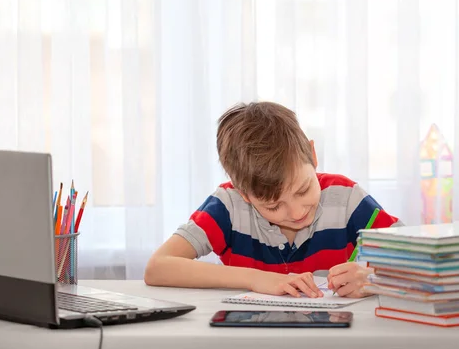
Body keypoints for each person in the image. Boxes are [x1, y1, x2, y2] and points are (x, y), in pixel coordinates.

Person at [144, 102, 402, 298]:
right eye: (273, 206)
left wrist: (374, 277)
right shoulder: (229, 206)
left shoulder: (346, 199)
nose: (297, 211)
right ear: (243, 193)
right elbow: (158, 267)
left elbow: (430, 260)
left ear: (312, 155)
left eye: (303, 190)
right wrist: (257, 279)